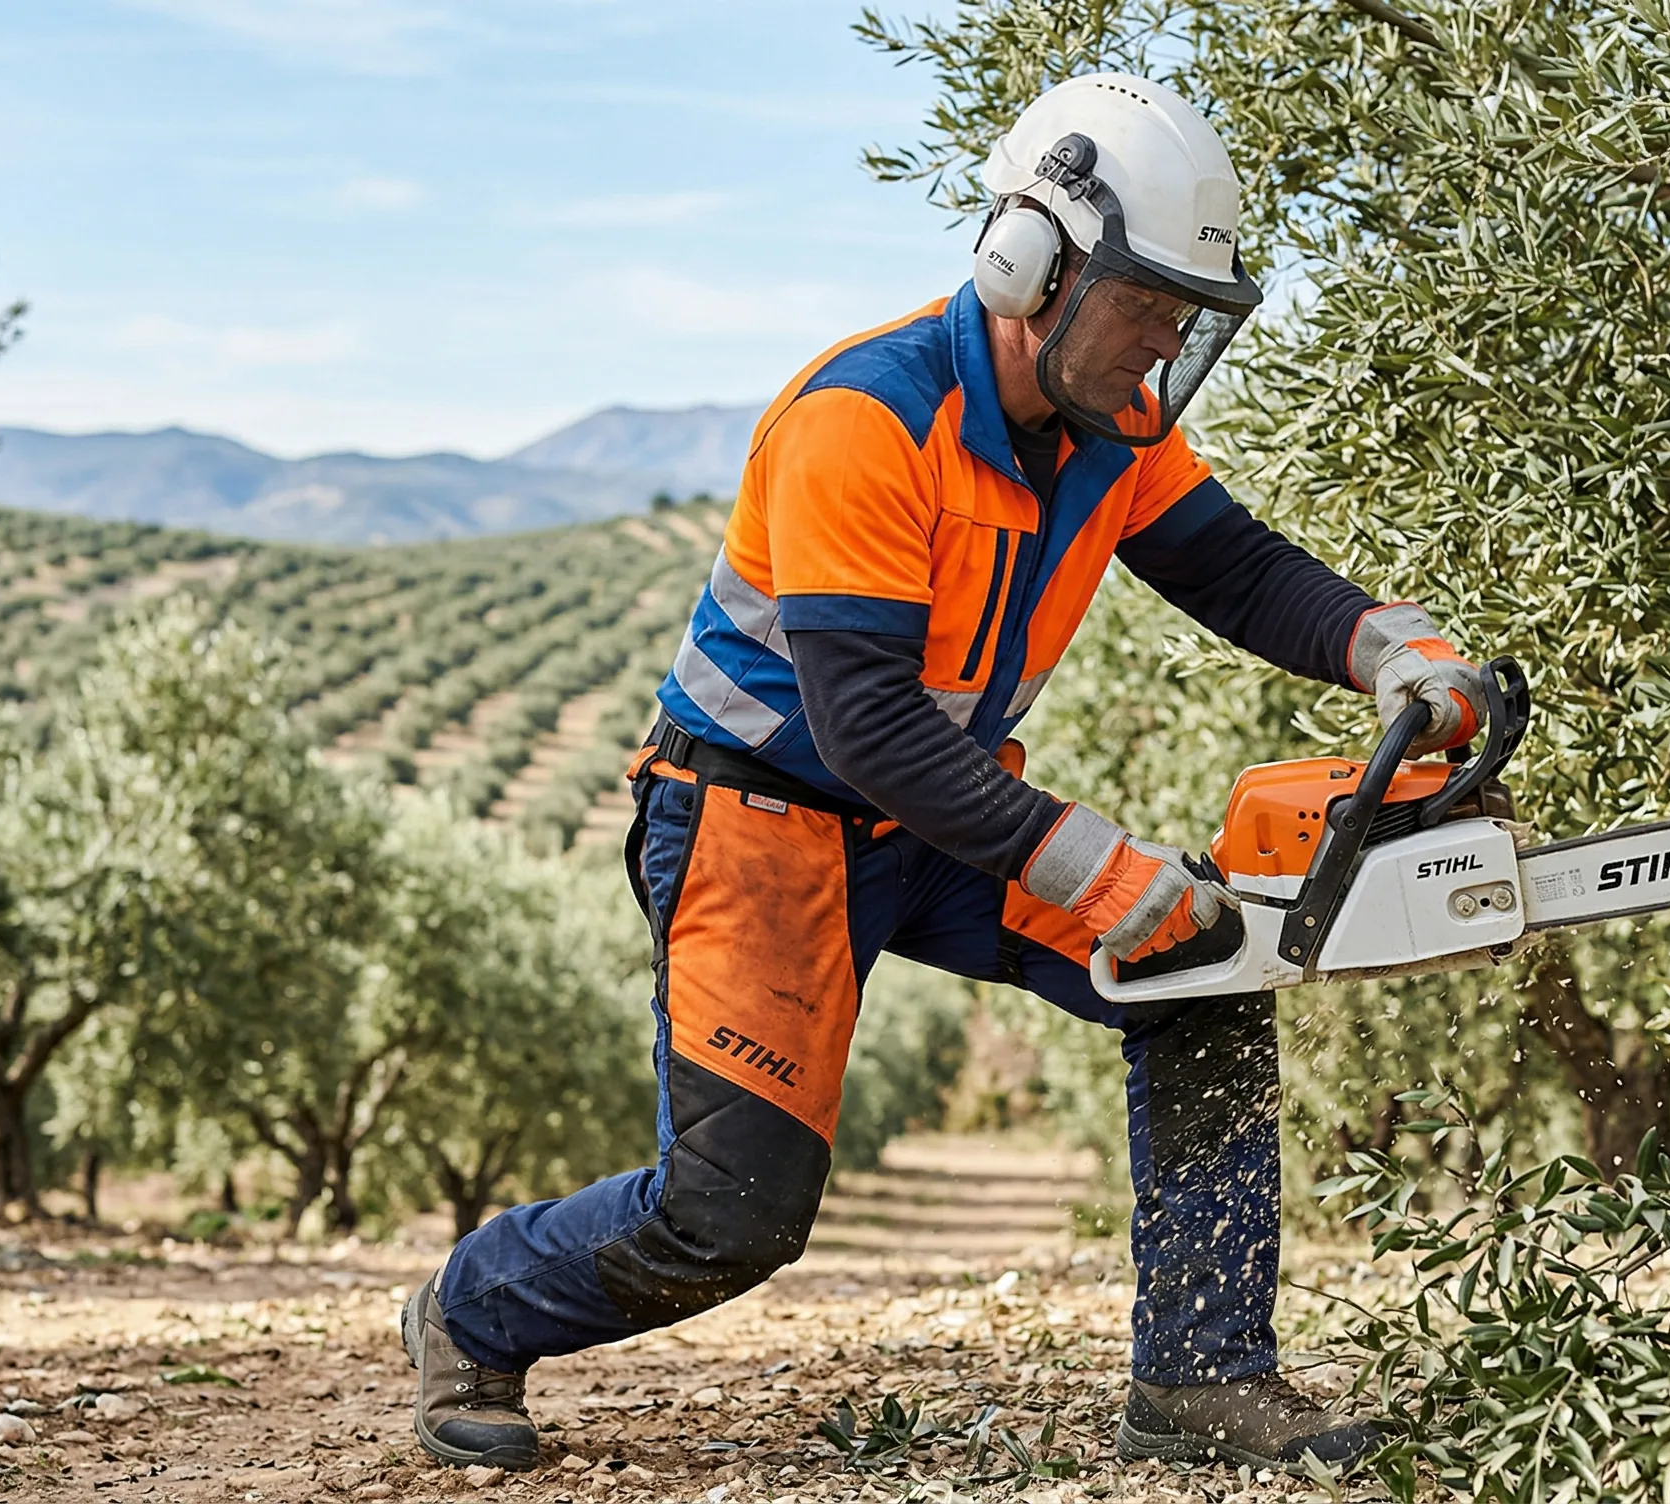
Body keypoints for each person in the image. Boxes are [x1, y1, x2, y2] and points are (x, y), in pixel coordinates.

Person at [400, 72, 1492, 1475]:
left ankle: (1202, 1378)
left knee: (1203, 983)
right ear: (1032, 264)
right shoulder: (865, 421)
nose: (1165, 342)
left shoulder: (1117, 433)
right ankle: (470, 1306)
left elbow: (1233, 567)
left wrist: (1383, 644)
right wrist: (1099, 871)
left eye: (1182, 314)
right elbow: (865, 725)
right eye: (1149, 303)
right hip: (760, 822)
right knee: (732, 1215)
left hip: (943, 821)